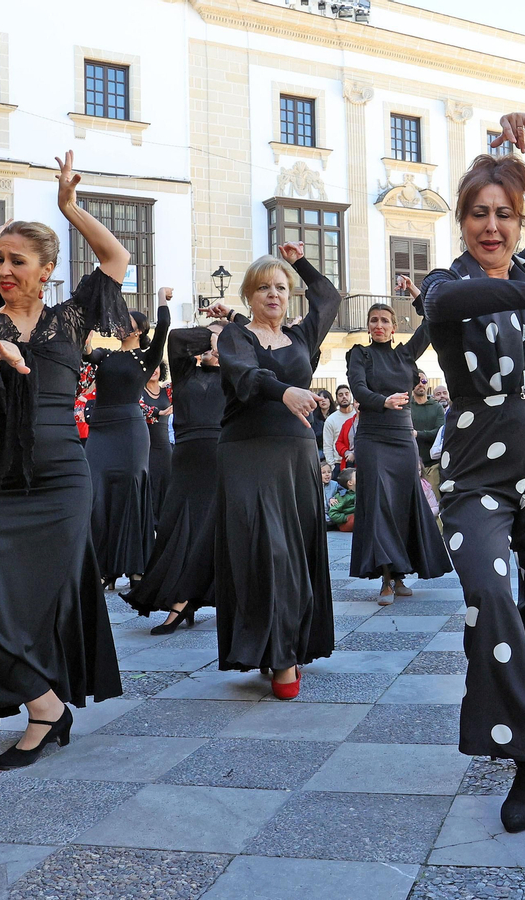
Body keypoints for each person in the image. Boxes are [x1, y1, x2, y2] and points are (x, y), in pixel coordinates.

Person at [419, 113, 525, 834]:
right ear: (461, 220)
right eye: (478, 214)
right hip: (474, 471)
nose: (492, 227)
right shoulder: (445, 284)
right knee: (489, 594)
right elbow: (445, 306)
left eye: (505, 215)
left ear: (521, 223)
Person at [0, 154, 128, 769]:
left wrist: (70, 208)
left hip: (61, 476)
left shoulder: (71, 317)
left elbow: (115, 258)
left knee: (47, 597)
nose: (4, 269)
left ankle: (43, 710)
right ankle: (46, 702)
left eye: (17, 260)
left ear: (46, 270)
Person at [214, 241, 340, 698]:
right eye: (264, 287)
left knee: (294, 552)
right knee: (264, 551)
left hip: (296, 454)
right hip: (247, 453)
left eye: (281, 287)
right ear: (249, 295)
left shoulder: (303, 337)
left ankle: (285, 644)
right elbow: (246, 376)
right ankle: (280, 654)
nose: (273, 294)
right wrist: (285, 391)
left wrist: (299, 261)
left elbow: (329, 297)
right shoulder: (235, 336)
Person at [125, 315, 232, 635]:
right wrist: (212, 335)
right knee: (175, 529)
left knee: (211, 532)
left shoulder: (235, 376)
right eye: (208, 340)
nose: (212, 346)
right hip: (185, 460)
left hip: (221, 458)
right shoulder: (186, 371)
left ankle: (185, 601)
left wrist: (230, 334)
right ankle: (181, 597)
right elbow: (177, 338)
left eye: (219, 340)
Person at [345, 301, 451, 602]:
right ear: (368, 326)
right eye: (374, 320)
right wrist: (383, 401)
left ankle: (400, 573)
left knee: (403, 504)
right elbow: (358, 388)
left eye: (384, 321)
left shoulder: (405, 354)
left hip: (402, 437)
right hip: (373, 436)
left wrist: (419, 296)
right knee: (380, 502)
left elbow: (429, 324)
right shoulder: (359, 354)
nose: (378, 325)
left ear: (394, 327)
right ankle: (386, 579)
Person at [87, 294, 171, 589]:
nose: (119, 325)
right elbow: (87, 353)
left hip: (130, 431)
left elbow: (164, 327)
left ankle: (136, 566)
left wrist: (161, 298)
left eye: (125, 322)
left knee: (131, 494)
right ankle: (102, 567)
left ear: (138, 330)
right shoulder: (105, 355)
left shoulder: (146, 359)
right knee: (96, 494)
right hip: (100, 429)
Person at [141, 339, 173, 522]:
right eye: (150, 366)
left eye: (157, 366)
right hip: (145, 447)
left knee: (167, 486)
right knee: (148, 488)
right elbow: (138, 407)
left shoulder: (168, 390)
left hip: (165, 448)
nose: (154, 370)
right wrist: (156, 412)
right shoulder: (137, 391)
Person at [408, 368, 445, 469]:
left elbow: (440, 433)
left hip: (433, 464)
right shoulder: (406, 406)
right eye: (417, 381)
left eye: (424, 381)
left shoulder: (437, 407)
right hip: (411, 462)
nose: (421, 384)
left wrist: (417, 434)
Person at [323, 384, 356, 467]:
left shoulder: (358, 415)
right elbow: (327, 445)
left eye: (346, 394)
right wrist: (332, 466)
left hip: (358, 461)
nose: (344, 397)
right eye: (340, 395)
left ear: (351, 396)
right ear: (337, 399)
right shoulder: (331, 419)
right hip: (338, 462)